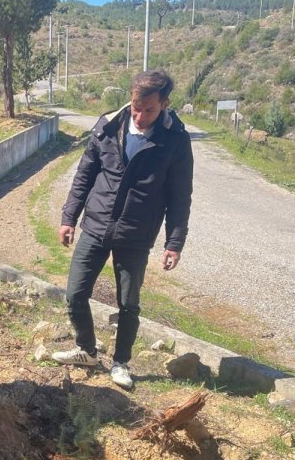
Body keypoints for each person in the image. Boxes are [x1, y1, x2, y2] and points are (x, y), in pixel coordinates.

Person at [53, 69, 193, 390]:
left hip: (136, 235)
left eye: (149, 110)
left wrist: (174, 242)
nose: (141, 116)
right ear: (130, 99)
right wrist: (68, 217)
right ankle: (87, 350)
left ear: (165, 104)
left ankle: (121, 362)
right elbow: (84, 176)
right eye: (136, 107)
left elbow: (179, 195)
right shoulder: (107, 126)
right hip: (96, 225)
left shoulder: (175, 139)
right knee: (75, 294)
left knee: (128, 303)